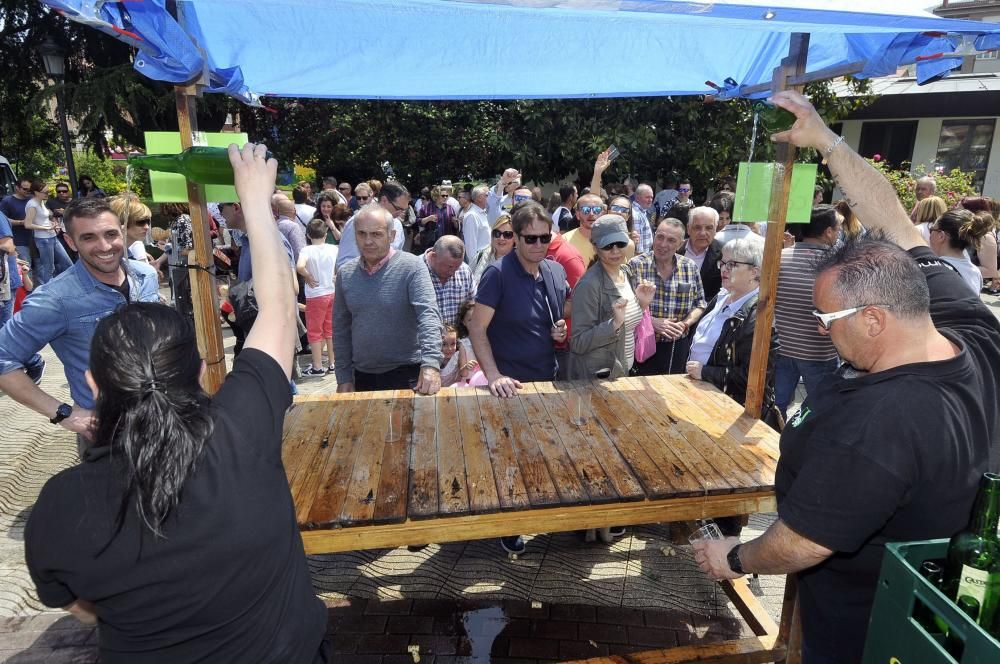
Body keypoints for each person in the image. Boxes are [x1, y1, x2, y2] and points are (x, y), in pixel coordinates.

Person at [693, 89, 1000, 664]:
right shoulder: (966, 323)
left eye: (825, 317)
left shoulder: (878, 423)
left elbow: (804, 543)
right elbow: (899, 225)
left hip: (868, 633)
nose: (817, 325)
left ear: (874, 318)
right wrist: (828, 142)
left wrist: (734, 558)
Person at [24, 143, 328, 663]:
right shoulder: (242, 430)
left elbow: (79, 603)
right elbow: (279, 307)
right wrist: (255, 200)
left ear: (95, 384)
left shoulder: (58, 506)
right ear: (197, 372)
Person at [0, 197, 159, 457]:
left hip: (163, 417)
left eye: (110, 234)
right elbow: (3, 357)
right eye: (89, 238)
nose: (104, 246)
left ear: (122, 231)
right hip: (108, 434)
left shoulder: (146, 276)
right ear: (72, 242)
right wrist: (64, 414)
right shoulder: (55, 299)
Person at [468, 200, 568, 556]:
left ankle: (535, 514)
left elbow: (556, 317)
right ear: (516, 239)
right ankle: (508, 525)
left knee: (539, 455)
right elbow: (476, 327)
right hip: (510, 386)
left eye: (545, 238)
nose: (538, 245)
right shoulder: (498, 273)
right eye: (530, 239)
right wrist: (493, 375)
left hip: (547, 380)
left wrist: (559, 330)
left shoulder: (554, 271)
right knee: (508, 460)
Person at [333, 206, 442, 394]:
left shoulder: (412, 267)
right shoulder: (346, 274)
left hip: (407, 374)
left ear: (391, 236)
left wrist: (431, 364)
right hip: (362, 376)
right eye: (362, 234)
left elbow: (429, 316)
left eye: (376, 234)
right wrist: (343, 377)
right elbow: (340, 328)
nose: (368, 241)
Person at [686, 236, 776, 411]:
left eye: (732, 265)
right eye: (723, 263)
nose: (723, 269)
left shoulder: (759, 317)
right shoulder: (721, 296)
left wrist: (705, 372)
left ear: (754, 272)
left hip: (727, 406)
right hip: (700, 394)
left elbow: (753, 378)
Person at [773, 206, 842, 419]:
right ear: (828, 231)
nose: (840, 232)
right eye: (838, 228)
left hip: (781, 347)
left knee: (776, 406)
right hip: (819, 352)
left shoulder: (780, 258)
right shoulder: (837, 264)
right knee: (822, 412)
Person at [568, 215, 655, 380]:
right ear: (595, 247)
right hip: (599, 378)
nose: (615, 251)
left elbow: (627, 322)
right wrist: (613, 324)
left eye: (620, 243)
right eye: (607, 246)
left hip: (623, 370)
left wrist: (642, 304)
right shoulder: (589, 285)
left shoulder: (626, 271)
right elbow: (578, 342)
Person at [627, 219, 706, 375]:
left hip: (677, 347)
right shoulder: (635, 265)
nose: (663, 244)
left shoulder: (689, 267)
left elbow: (700, 304)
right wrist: (651, 322)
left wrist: (684, 324)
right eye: (660, 237)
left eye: (671, 240)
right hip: (643, 345)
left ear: (681, 244)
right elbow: (625, 306)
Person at [296, 219, 339, 377]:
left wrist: (307, 275)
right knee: (330, 329)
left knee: (314, 331)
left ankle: (317, 366)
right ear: (326, 234)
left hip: (315, 295)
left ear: (308, 234)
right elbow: (340, 266)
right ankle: (333, 363)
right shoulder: (333, 248)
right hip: (331, 292)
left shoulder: (306, 251)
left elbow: (299, 266)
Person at [334, 181, 408, 271]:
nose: (401, 214)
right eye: (398, 209)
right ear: (384, 200)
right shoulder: (358, 221)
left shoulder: (397, 224)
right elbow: (344, 262)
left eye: (404, 210)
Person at [928, 207, 993, 295]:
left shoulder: (934, 270)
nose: (930, 234)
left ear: (941, 236)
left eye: (931, 230)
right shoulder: (975, 272)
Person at [424, 235, 476, 327]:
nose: (453, 273)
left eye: (457, 267)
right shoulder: (415, 270)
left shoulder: (464, 271)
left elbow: (474, 305)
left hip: (457, 339)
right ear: (433, 256)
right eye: (449, 267)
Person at [24, 180, 68, 285]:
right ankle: (48, 291)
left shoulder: (41, 202)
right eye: (45, 192)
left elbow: (42, 219)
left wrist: (52, 224)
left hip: (52, 236)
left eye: (48, 192)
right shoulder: (32, 204)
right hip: (43, 239)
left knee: (67, 263)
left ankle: (66, 285)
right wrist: (45, 228)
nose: (47, 194)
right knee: (49, 268)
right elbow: (27, 224)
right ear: (36, 192)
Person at [677, 206, 724, 302]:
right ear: (688, 229)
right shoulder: (675, 250)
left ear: (716, 229)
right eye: (697, 227)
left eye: (709, 228)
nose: (703, 233)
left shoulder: (723, 255)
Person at [470, 213, 515, 285]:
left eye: (507, 234)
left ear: (515, 238)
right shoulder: (480, 256)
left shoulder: (522, 263)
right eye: (497, 233)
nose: (501, 238)